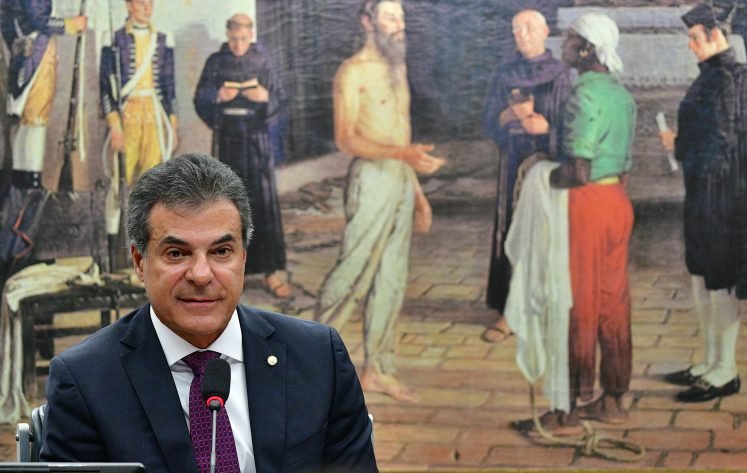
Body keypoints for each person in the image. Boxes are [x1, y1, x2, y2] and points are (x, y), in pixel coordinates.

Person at [40, 154, 378, 472]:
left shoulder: (318, 357)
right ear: (140, 263)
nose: (201, 275)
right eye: (177, 253)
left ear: (243, 259)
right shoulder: (86, 379)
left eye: (221, 251)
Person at [315, 0, 446, 403]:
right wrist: (402, 155)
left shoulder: (397, 68)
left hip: (400, 180)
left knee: (391, 277)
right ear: (368, 22)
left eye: (401, 17)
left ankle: (378, 369)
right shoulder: (352, 70)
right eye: (390, 17)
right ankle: (307, 365)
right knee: (353, 271)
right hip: (371, 179)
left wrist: (418, 195)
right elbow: (346, 139)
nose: (399, 24)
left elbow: (402, 137)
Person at [517, 13, 636, 434]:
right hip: (616, 202)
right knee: (612, 302)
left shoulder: (582, 96)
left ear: (586, 49)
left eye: (569, 39)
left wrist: (540, 174)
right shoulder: (621, 95)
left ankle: (567, 408)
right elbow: (620, 166)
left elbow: (578, 172)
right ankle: (613, 400)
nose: (561, 44)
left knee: (574, 302)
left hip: (586, 207)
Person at [659, 2, 747, 403]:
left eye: (694, 38)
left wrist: (678, 143)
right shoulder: (714, 76)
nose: (690, 45)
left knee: (721, 282)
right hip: (706, 193)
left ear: (716, 36)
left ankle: (726, 371)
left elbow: (719, 145)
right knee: (703, 278)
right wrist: (683, 145)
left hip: (722, 198)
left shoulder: (728, 79)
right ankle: (708, 362)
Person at [480, 9, 571, 343]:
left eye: (529, 27)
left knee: (544, 233)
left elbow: (570, 126)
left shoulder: (560, 73)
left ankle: (544, 304)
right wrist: (508, 115)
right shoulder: (505, 73)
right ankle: (510, 307)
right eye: (516, 29)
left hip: (547, 164)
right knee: (513, 231)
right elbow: (488, 122)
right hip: (512, 163)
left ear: (545, 31)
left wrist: (546, 128)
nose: (522, 34)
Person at [194, 13, 291, 298]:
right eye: (234, 39)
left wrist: (265, 97)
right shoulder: (215, 61)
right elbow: (200, 98)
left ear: (251, 35)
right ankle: (229, 274)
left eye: (243, 39)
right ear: (228, 35)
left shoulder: (264, 60)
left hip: (256, 138)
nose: (238, 45)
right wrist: (217, 96)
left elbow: (281, 98)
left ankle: (271, 272)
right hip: (228, 139)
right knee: (228, 203)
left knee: (263, 204)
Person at [0, 0, 86, 285]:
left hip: (30, 56)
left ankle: (19, 242)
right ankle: (17, 245)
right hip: (34, 60)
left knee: (30, 139)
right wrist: (70, 24)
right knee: (32, 132)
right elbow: (37, 18)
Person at [100, 0, 177, 251]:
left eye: (150, 3)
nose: (147, 8)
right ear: (129, 6)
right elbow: (105, 88)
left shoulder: (163, 40)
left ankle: (148, 248)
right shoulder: (113, 40)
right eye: (141, 3)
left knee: (153, 184)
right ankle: (113, 246)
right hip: (127, 117)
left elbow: (169, 87)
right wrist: (114, 126)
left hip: (154, 117)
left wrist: (172, 125)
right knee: (118, 182)